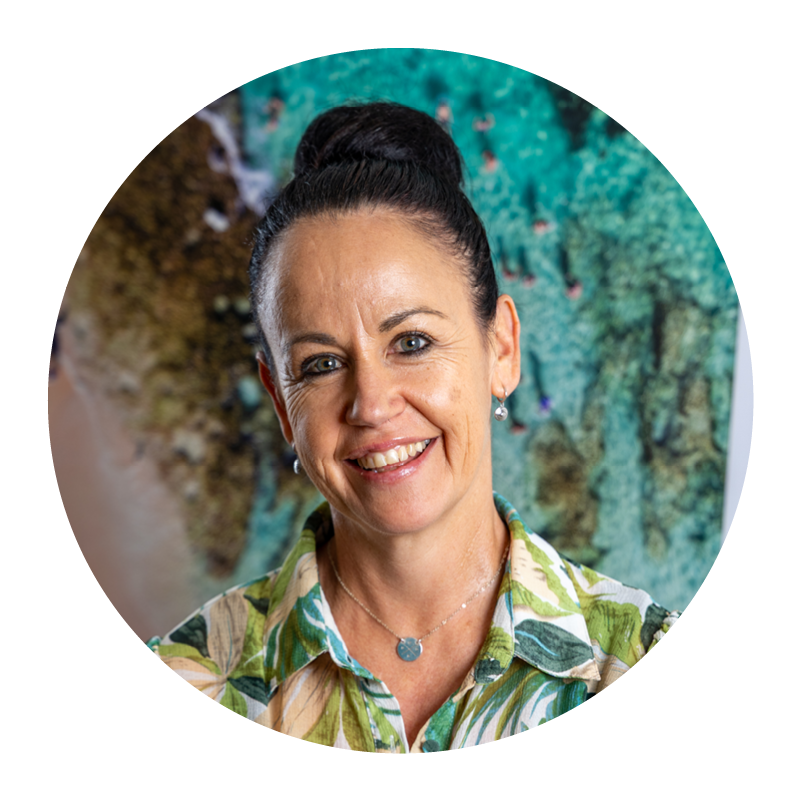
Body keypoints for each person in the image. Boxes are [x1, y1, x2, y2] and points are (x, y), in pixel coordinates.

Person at [150, 100, 679, 766]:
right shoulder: (194, 677)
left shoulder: (649, 667)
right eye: (321, 364)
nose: (370, 403)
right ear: (282, 406)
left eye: (413, 341)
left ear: (502, 349)